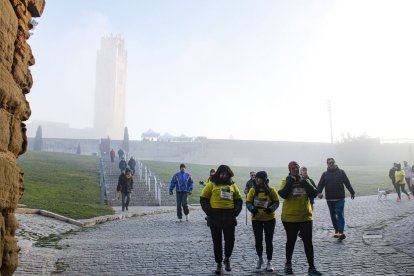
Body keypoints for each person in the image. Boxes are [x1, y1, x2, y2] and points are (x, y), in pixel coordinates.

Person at [278, 161, 321, 276]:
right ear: (289, 170)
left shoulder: (305, 180)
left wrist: (304, 182)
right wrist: (291, 181)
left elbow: (314, 193)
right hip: (290, 218)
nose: (296, 170)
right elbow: (283, 194)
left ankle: (311, 267)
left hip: (305, 217)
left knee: (308, 242)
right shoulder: (285, 180)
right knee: (291, 241)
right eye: (293, 168)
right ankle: (288, 265)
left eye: (297, 168)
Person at [200, 165, 243, 274]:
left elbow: (238, 200)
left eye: (226, 174)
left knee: (230, 241)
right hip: (215, 217)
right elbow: (203, 199)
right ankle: (219, 264)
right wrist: (208, 211)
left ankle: (227, 258)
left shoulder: (233, 186)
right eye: (222, 173)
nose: (224, 175)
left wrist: (236, 211)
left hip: (229, 216)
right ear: (218, 174)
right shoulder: (211, 184)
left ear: (229, 175)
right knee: (217, 242)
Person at [246, 171, 279, 272]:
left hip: (270, 219)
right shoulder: (252, 190)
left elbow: (277, 202)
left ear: (263, 179)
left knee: (269, 240)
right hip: (256, 219)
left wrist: (271, 209)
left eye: (258, 178)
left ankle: (269, 262)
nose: (256, 179)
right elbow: (248, 202)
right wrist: (252, 209)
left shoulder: (272, 190)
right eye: (256, 178)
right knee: (258, 240)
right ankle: (260, 259)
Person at [317, 158, 355, 241]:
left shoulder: (341, 172)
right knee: (333, 216)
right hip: (330, 199)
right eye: (329, 163)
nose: (331, 164)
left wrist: (352, 192)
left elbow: (347, 183)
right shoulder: (324, 174)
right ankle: (337, 232)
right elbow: (320, 185)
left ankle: (341, 232)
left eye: (332, 162)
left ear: (335, 163)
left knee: (339, 214)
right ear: (327, 164)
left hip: (340, 198)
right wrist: (319, 192)